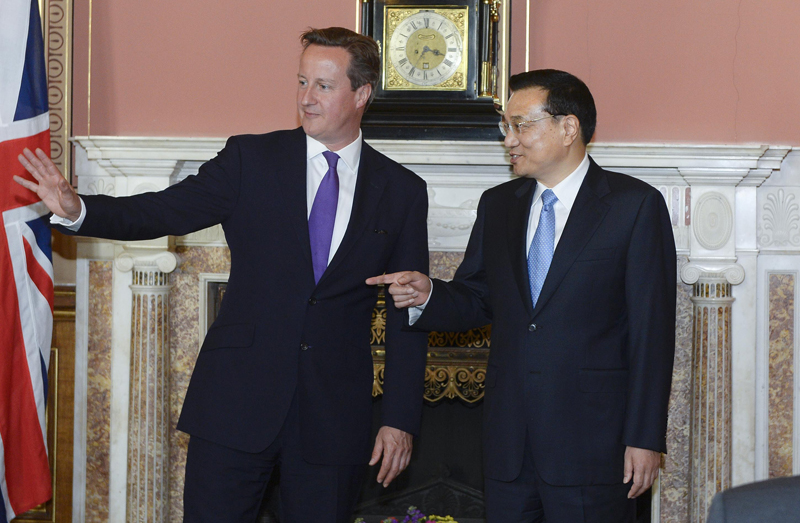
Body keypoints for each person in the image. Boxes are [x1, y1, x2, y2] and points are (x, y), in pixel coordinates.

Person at [15, 27, 430, 523]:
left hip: (332, 419)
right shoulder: (250, 160)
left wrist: (399, 419)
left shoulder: (401, 191)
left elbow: (409, 313)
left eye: (323, 86)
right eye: (301, 82)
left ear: (361, 94)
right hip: (235, 404)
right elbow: (162, 211)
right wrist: (79, 209)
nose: (305, 98)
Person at [367, 69, 676, 523]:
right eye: (505, 126)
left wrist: (644, 438)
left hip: (594, 446)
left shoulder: (634, 206)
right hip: (508, 445)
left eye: (521, 125)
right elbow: (477, 297)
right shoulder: (499, 204)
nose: (508, 139)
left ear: (568, 127)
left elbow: (653, 336)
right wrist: (429, 294)